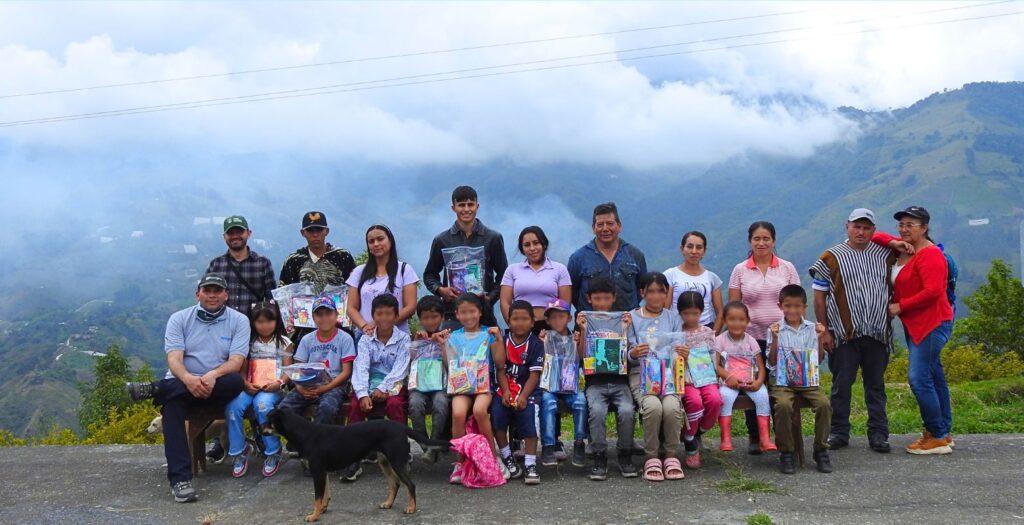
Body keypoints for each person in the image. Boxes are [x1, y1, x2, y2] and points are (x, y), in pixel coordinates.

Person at [126, 273, 248, 503]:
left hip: (218, 387)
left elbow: (236, 362)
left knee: (235, 381)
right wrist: (189, 380)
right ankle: (180, 481)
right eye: (207, 290)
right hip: (182, 384)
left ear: (226, 295)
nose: (212, 295)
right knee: (171, 409)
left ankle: (155, 388)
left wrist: (212, 375)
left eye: (217, 291)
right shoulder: (179, 319)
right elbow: (174, 359)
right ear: (197, 293)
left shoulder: (239, 320)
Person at [809, 208, 893, 453]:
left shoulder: (886, 255)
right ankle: (838, 432)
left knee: (875, 385)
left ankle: (878, 434)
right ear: (847, 226)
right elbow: (819, 296)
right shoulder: (831, 257)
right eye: (857, 226)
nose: (861, 232)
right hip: (844, 333)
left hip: (877, 332)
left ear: (873, 231)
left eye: (867, 228)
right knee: (841, 385)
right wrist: (824, 330)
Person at [873, 206, 954, 455]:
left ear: (925, 228)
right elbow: (875, 236)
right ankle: (942, 432)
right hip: (917, 323)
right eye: (902, 224)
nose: (905, 229)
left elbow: (933, 292)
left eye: (911, 225)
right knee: (934, 376)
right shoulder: (908, 250)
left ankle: (936, 435)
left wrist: (900, 306)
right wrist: (896, 242)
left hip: (931, 323)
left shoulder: (930, 255)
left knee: (919, 378)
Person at [728, 221, 799, 454]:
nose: (761, 243)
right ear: (750, 241)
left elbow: (796, 303)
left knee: (779, 387)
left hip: (782, 339)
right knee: (752, 386)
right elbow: (735, 306)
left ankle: (781, 435)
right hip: (749, 340)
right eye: (757, 239)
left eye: (766, 238)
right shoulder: (740, 270)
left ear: (774, 241)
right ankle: (755, 436)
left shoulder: (786, 268)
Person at [277, 295, 356, 474]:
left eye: (328, 313)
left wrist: (325, 388)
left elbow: (346, 372)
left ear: (336, 315)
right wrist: (299, 388)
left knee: (327, 409)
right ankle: (302, 446)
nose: (324, 318)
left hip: (335, 385)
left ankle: (320, 453)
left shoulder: (345, 338)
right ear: (313, 318)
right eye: (319, 314)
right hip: (307, 384)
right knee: (284, 409)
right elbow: (297, 369)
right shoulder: (307, 340)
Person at [439, 293, 508, 484]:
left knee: (479, 411)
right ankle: (459, 462)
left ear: (479, 312)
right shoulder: (454, 337)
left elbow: (500, 363)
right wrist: (443, 346)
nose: (468, 316)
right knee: (458, 413)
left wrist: (499, 341)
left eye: (472, 312)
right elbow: (449, 364)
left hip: (483, 387)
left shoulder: (489, 334)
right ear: (457, 314)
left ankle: (492, 458)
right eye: (463, 312)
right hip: (462, 387)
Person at [767, 285, 833, 474]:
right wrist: (775, 338)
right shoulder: (775, 329)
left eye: (797, 306)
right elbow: (771, 361)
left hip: (807, 381)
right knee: (783, 405)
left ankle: (821, 449)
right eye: (788, 306)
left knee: (824, 404)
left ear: (804, 307)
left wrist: (820, 339)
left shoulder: (813, 329)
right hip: (783, 381)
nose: (793, 310)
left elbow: (818, 359)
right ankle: (787, 451)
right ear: (780, 306)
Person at [627, 272, 686, 482]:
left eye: (660, 291)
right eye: (650, 291)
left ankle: (670, 455)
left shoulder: (673, 317)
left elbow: (678, 349)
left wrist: (682, 353)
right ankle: (651, 456)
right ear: (642, 293)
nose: (655, 296)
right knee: (652, 406)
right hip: (641, 373)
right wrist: (633, 353)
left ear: (666, 293)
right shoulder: (631, 318)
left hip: (670, 374)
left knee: (671, 407)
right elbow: (625, 353)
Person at [423, 186, 509, 329]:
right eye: (461, 205)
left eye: (470, 204)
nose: (466, 209)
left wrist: (489, 299)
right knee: (452, 351)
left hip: (483, 314)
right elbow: (430, 274)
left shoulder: (492, 238)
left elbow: (504, 276)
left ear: (477, 206)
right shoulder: (442, 240)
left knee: (486, 351)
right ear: (453, 208)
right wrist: (441, 290)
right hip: (452, 313)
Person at [576, 277, 636, 480]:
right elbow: (581, 355)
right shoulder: (585, 321)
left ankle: (625, 454)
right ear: (589, 299)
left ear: (614, 298)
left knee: (627, 411)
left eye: (606, 298)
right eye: (597, 298)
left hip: (620, 381)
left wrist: (626, 329)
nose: (602, 303)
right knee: (597, 412)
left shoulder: (622, 321)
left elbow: (627, 352)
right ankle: (599, 456)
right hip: (595, 382)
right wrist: (583, 330)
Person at [224, 301, 292, 478]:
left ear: (277, 321)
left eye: (269, 321)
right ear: (253, 323)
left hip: (273, 388)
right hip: (250, 386)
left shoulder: (284, 343)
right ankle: (239, 450)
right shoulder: (248, 342)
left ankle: (273, 451)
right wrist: (245, 383)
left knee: (262, 406)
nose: (265, 325)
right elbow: (242, 368)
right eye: (260, 322)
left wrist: (280, 383)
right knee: (232, 408)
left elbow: (288, 369)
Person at [492, 300, 544, 485]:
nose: (519, 323)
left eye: (524, 319)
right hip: (504, 389)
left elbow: (534, 374)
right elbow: (500, 369)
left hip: (528, 392)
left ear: (532, 322)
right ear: (508, 321)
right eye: (515, 319)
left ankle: (530, 464)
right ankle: (507, 457)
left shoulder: (536, 344)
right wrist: (505, 391)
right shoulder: (503, 341)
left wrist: (522, 396)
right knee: (497, 417)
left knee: (530, 420)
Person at [715, 301, 776, 454]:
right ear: (724, 321)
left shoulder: (751, 341)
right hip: (728, 383)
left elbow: (761, 367)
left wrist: (759, 382)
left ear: (748, 322)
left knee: (762, 396)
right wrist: (728, 378)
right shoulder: (720, 340)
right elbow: (715, 366)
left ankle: (765, 438)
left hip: (750, 381)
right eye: (732, 319)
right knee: (725, 397)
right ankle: (726, 439)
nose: (737, 323)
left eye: (741, 319)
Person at [567, 202, 648, 312]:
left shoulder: (635, 256)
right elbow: (572, 293)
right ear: (593, 228)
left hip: (627, 323)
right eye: (600, 224)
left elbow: (642, 290)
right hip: (589, 324)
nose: (605, 229)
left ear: (619, 226)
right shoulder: (578, 258)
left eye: (610, 223)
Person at [538, 299, 588, 468]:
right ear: (547, 320)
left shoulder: (575, 337)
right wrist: (541, 343)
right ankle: (548, 446)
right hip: (550, 385)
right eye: (553, 317)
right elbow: (541, 362)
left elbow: (582, 358)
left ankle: (580, 443)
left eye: (562, 316)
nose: (557, 320)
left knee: (580, 401)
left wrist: (580, 339)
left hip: (570, 385)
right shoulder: (545, 337)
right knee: (548, 401)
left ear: (569, 318)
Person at [348, 294, 411, 429]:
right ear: (373, 316)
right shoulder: (366, 340)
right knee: (355, 405)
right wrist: (363, 394)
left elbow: (401, 369)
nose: (384, 318)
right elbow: (361, 367)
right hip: (368, 381)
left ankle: (399, 441)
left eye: (388, 314)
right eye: (379, 314)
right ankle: (353, 445)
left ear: (396, 316)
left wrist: (383, 388)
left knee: (395, 404)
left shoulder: (404, 339)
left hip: (394, 384)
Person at [677, 291, 723, 470]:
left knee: (715, 400)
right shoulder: (677, 334)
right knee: (694, 401)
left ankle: (696, 432)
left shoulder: (708, 333)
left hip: (707, 378)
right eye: (686, 313)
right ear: (680, 313)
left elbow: (713, 358)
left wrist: (717, 376)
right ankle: (690, 442)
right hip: (687, 379)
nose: (691, 317)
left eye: (695, 313)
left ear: (702, 312)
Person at [346, 224, 420, 335]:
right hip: (366, 336)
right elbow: (351, 307)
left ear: (390, 241)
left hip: (398, 336)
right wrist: (365, 326)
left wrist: (382, 324)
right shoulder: (359, 272)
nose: (376, 244)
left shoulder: (404, 270)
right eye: (371, 241)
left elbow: (411, 307)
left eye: (380, 239)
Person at [499, 225, 572, 334]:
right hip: (520, 329)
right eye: (527, 245)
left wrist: (558, 327)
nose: (532, 248)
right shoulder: (512, 270)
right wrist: (514, 326)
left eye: (536, 243)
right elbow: (505, 302)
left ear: (544, 244)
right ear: (522, 249)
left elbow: (565, 303)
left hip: (552, 328)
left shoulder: (559, 269)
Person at [206, 215, 276, 317]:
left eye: (239, 232)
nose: (235, 236)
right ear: (224, 236)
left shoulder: (263, 263)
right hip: (222, 326)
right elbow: (207, 297)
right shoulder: (216, 265)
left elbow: (271, 300)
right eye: (230, 233)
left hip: (253, 327)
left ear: (248, 233)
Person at [408, 296, 451, 464]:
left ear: (442, 317)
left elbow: (451, 365)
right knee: (414, 404)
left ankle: (434, 443)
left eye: (435, 317)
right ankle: (426, 445)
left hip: (440, 384)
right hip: (418, 385)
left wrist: (442, 344)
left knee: (441, 402)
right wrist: (416, 342)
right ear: (420, 319)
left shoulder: (448, 337)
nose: (430, 321)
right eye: (426, 317)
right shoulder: (417, 338)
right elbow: (408, 362)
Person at [279, 211, 356, 293]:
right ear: (303, 233)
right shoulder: (293, 261)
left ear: (326, 231)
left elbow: (355, 287)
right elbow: (283, 293)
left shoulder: (342, 257)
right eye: (310, 230)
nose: (315, 235)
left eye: (319, 230)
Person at [664, 231, 724, 333]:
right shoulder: (670, 275)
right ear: (682, 249)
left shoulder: (712, 278)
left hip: (705, 329)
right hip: (677, 330)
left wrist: (713, 337)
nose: (694, 251)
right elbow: (665, 309)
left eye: (699, 247)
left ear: (704, 251)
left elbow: (720, 313)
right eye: (690, 246)